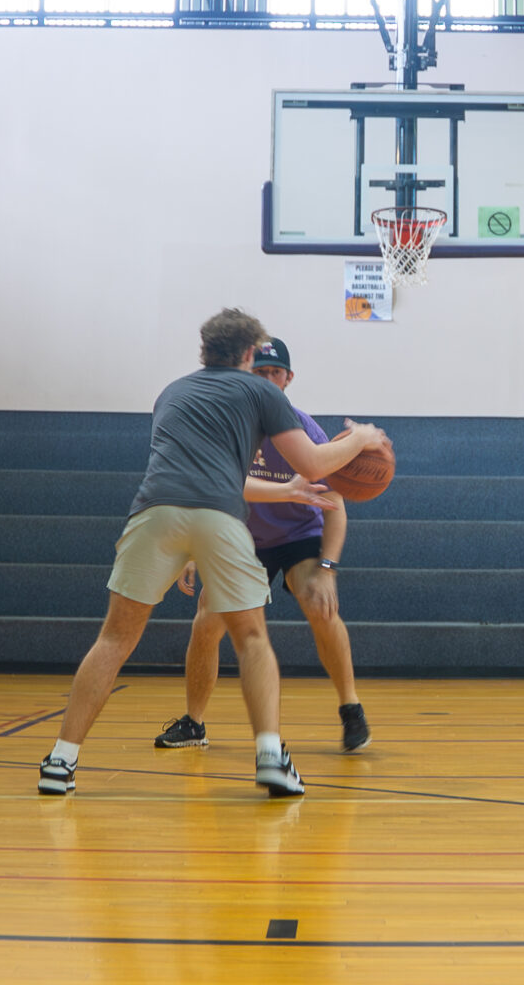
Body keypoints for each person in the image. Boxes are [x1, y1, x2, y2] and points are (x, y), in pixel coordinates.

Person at [39, 308, 388, 798]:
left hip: (153, 512)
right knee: (252, 639)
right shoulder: (260, 393)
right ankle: (271, 758)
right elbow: (312, 463)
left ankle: (60, 760)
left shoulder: (171, 392)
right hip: (221, 517)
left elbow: (188, 470)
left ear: (204, 350)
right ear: (248, 353)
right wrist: (363, 437)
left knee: (114, 638)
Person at [155, 336, 371, 756]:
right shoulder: (230, 427)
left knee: (319, 602)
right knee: (207, 618)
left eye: (276, 372)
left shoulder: (304, 430)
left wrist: (327, 569)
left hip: (298, 535)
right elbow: (211, 492)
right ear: (245, 376)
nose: (268, 379)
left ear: (289, 378)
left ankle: (351, 708)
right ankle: (194, 722)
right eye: (260, 372)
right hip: (242, 536)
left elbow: (336, 508)